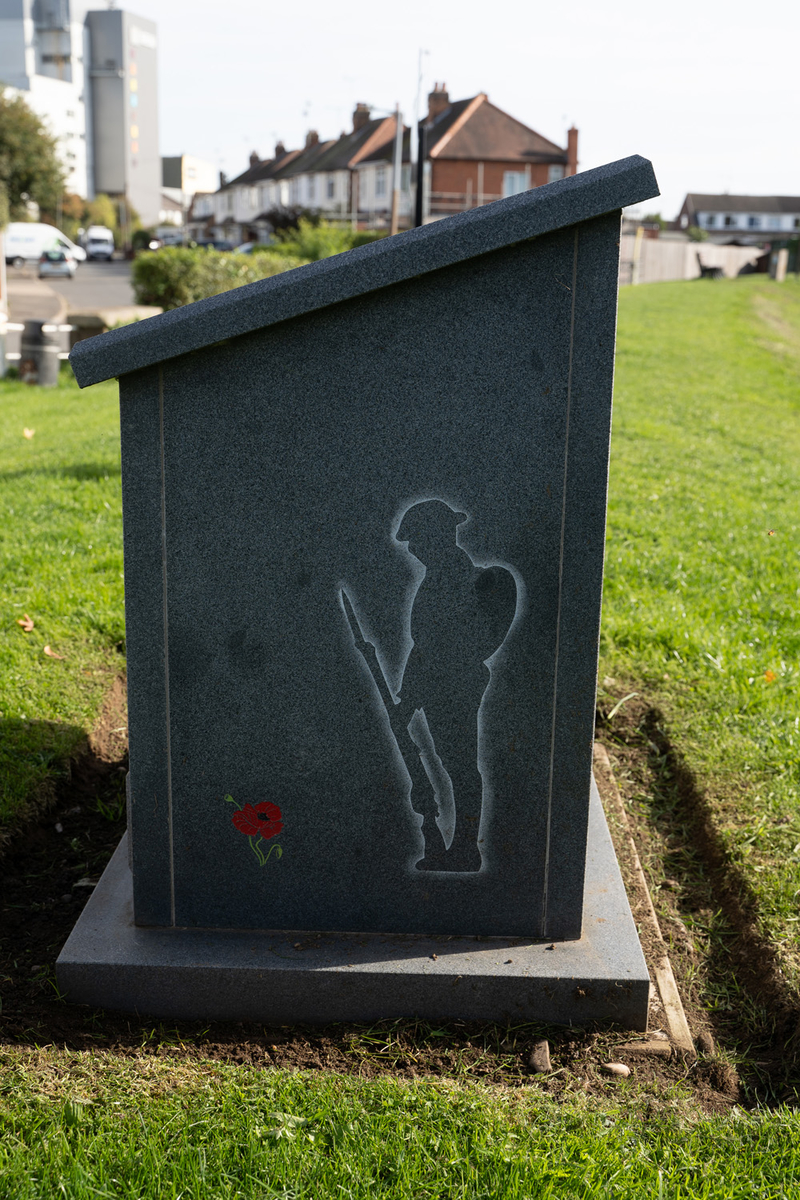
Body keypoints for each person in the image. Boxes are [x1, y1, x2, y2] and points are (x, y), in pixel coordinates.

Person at [393, 500, 516, 872]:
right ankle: (459, 846)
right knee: (453, 764)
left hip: (454, 683)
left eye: (417, 540)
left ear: (437, 536)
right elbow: (423, 646)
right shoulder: (437, 578)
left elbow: (441, 645)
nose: (413, 549)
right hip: (434, 683)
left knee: (459, 766)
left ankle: (465, 847)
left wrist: (412, 695)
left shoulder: (459, 577)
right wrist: (407, 697)